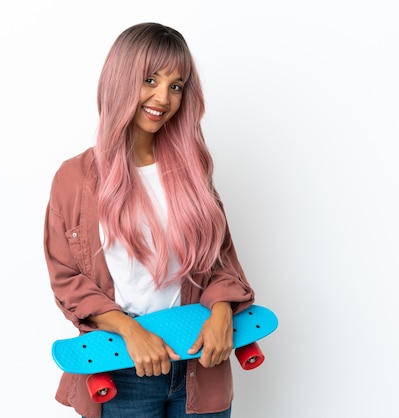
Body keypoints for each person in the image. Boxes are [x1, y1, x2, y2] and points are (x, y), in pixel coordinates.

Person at [44, 22, 255, 418]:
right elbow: (67, 279)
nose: (164, 97)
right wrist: (130, 329)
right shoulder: (74, 179)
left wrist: (223, 313)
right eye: (150, 80)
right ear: (121, 79)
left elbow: (221, 261)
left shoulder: (193, 172)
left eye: (176, 86)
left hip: (200, 365)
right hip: (122, 370)